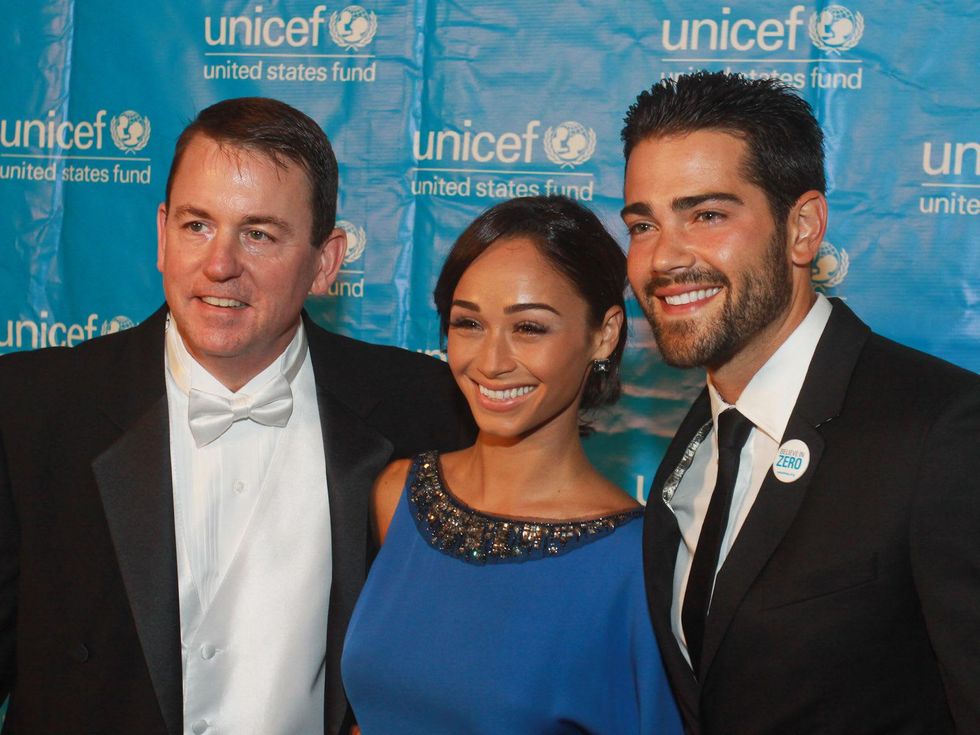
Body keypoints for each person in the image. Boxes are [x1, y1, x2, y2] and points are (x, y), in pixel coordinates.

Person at [0, 97, 473, 735]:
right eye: (197, 225)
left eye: (259, 234)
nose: (220, 264)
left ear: (326, 262)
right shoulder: (30, 408)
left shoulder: (427, 408)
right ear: (162, 234)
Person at [620, 70, 980, 734]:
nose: (663, 258)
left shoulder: (945, 431)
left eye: (707, 215)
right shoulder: (696, 448)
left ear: (803, 228)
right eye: (643, 224)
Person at [341, 195, 683, 734]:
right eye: (468, 324)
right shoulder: (396, 493)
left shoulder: (637, 566)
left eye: (529, 328)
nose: (492, 362)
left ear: (605, 333)